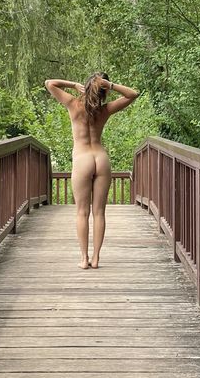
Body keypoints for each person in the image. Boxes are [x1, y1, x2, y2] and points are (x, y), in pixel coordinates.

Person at [44, 73, 140, 269]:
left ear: (85, 88)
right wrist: (111, 85)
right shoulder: (105, 110)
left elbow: (49, 83)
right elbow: (133, 94)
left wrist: (73, 84)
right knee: (99, 212)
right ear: (104, 91)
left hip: (82, 159)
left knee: (82, 212)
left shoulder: (72, 103)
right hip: (101, 158)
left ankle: (83, 259)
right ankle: (96, 258)